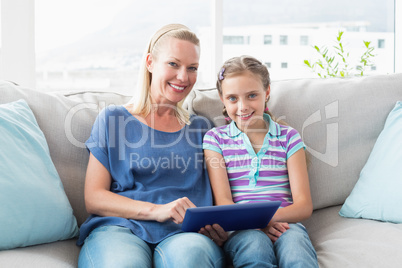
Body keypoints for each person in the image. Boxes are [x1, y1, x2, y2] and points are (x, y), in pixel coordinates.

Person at [77, 24, 225, 268]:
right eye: (173, 64)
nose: (183, 77)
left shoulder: (203, 129)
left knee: (191, 259)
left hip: (184, 234)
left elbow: (222, 198)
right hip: (120, 228)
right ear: (150, 63)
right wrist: (156, 210)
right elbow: (94, 197)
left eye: (192, 68)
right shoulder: (113, 120)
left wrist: (221, 228)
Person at [201, 56, 318, 268]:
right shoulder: (215, 139)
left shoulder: (288, 137)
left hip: (287, 225)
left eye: (252, 95)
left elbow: (303, 206)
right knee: (255, 248)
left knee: (297, 253)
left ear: (267, 92)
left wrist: (268, 221)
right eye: (233, 98)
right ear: (222, 99)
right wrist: (257, 225)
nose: (243, 106)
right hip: (242, 230)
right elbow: (224, 203)